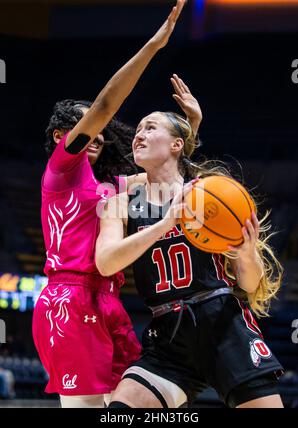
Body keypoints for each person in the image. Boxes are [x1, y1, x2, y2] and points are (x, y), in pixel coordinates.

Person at [32, 0, 186, 408]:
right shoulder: (62, 170)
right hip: (69, 298)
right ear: (62, 135)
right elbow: (104, 106)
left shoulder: (111, 187)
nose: (97, 133)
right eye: (88, 127)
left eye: (100, 131)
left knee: (129, 406)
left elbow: (165, 170)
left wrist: (191, 129)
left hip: (108, 299)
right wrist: (153, 46)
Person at [95, 92, 284, 408]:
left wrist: (247, 253)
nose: (138, 134)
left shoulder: (209, 193)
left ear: (176, 144)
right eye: (138, 130)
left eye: (150, 127)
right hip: (168, 332)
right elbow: (105, 262)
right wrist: (164, 224)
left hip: (222, 323)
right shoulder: (120, 203)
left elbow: (249, 286)